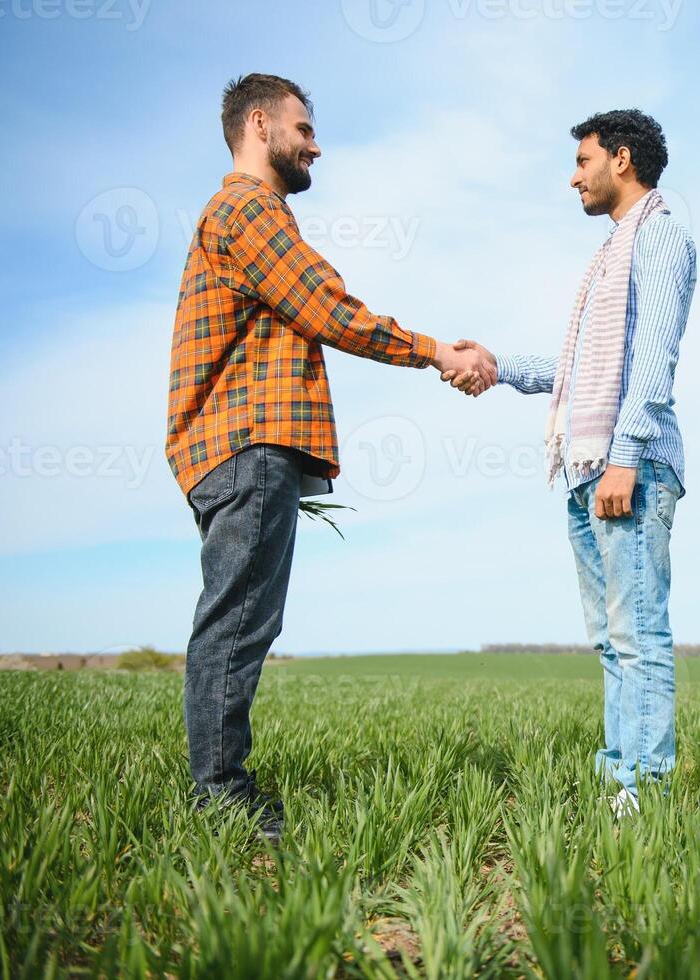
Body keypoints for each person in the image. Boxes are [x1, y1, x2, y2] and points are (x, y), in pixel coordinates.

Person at [166, 73, 493, 841]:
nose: (316, 144)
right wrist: (436, 352)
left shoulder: (244, 214)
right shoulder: (247, 210)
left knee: (243, 618)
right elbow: (326, 307)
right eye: (304, 128)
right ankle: (218, 796)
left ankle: (219, 785)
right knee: (238, 620)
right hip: (245, 445)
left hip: (238, 448)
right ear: (258, 125)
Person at [445, 109, 697, 817]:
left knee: (638, 632)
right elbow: (581, 367)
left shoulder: (661, 238)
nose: (573, 175)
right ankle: (619, 778)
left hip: (629, 467)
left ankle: (645, 794)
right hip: (591, 470)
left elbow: (652, 356)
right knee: (612, 641)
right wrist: (498, 368)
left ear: (621, 159)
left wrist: (623, 457)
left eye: (583, 160)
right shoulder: (612, 254)